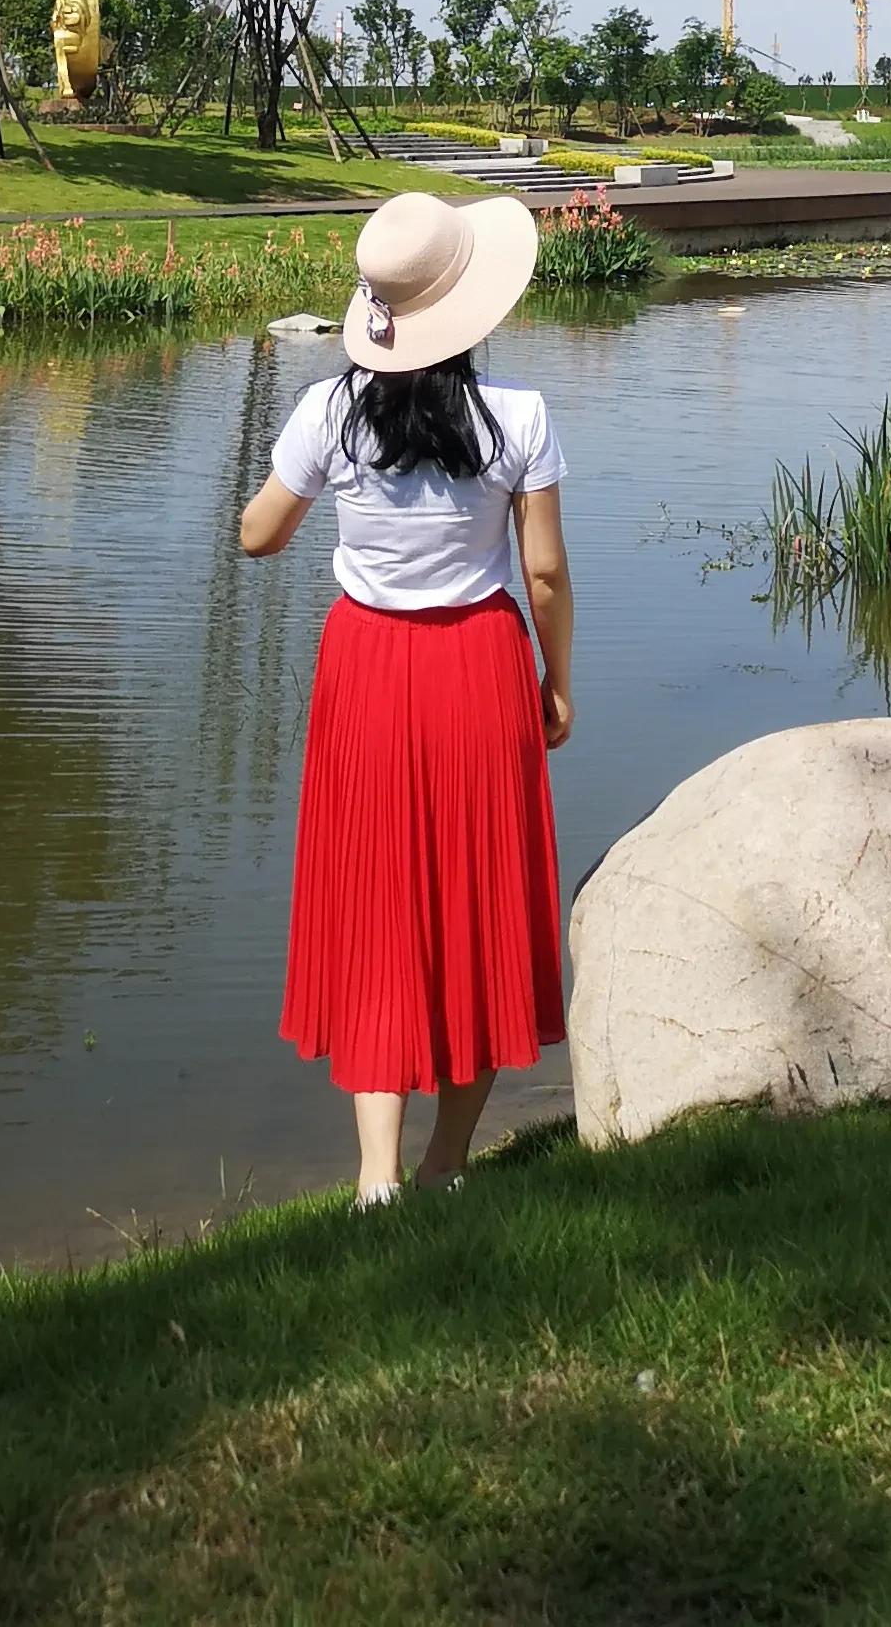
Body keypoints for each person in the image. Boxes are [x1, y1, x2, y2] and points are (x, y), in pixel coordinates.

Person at [238, 187, 572, 1204]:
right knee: (474, 901)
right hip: (478, 666)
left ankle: (375, 1176)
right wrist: (558, 684)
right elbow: (546, 575)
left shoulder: (330, 410)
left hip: (367, 671)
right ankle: (445, 1164)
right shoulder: (519, 416)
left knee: (379, 903)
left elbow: (258, 535)